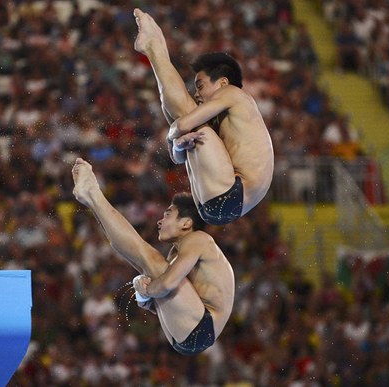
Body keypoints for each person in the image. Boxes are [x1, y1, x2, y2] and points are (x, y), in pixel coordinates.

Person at [72, 157, 235, 355]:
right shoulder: (179, 251)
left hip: (202, 326)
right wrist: (145, 292)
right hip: (189, 333)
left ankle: (93, 194)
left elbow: (165, 286)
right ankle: (92, 199)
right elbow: (159, 302)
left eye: (167, 214)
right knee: (139, 259)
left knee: (148, 257)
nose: (159, 221)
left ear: (186, 223)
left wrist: (147, 291)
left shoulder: (199, 239)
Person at [133, 8, 274, 225]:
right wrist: (177, 141)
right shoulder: (223, 119)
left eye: (200, 85)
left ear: (223, 82)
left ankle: (155, 48)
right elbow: (177, 157)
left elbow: (184, 123)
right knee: (187, 123)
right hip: (217, 203)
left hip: (230, 194)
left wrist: (173, 135)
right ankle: (154, 48)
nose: (197, 93)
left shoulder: (233, 93)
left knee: (189, 119)